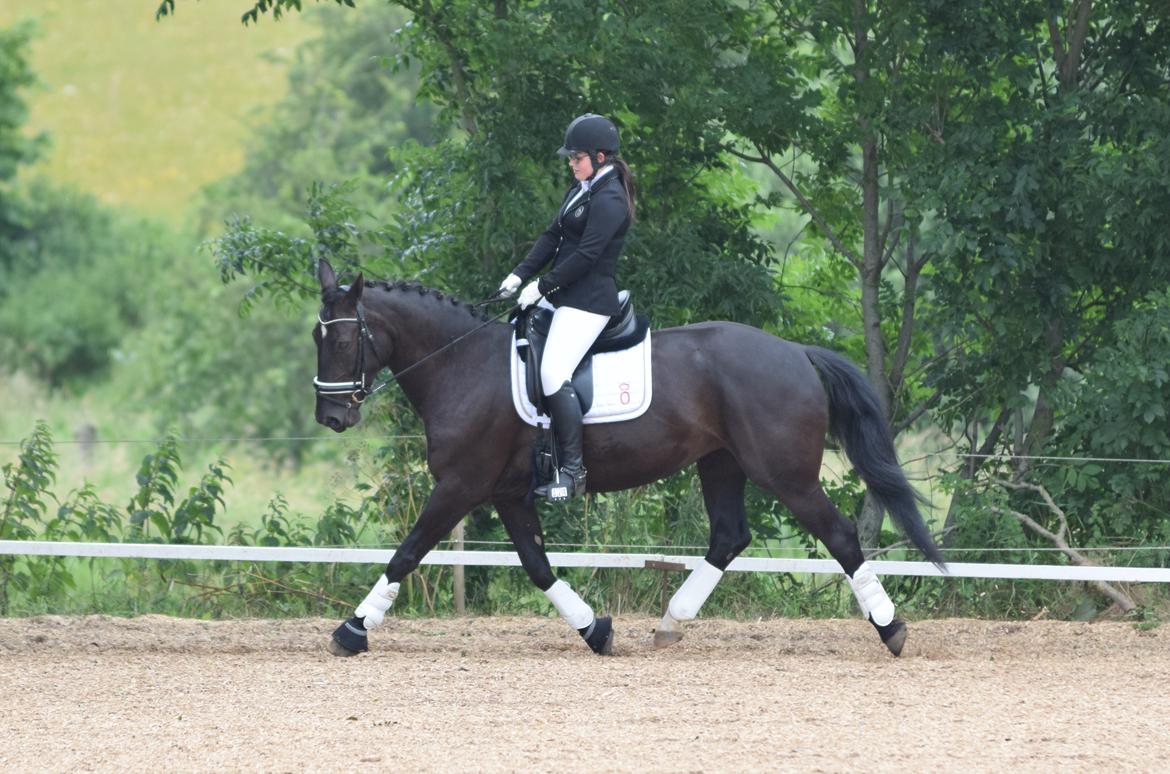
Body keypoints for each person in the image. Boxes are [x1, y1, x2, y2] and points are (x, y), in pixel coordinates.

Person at [497, 113, 636, 501]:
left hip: (589, 302)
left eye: (577, 157)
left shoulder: (610, 198)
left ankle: (573, 472)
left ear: (600, 157)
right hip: (565, 296)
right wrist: (519, 274)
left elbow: (587, 255)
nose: (572, 163)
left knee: (553, 371)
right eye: (571, 158)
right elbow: (552, 235)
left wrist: (542, 286)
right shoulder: (582, 188)